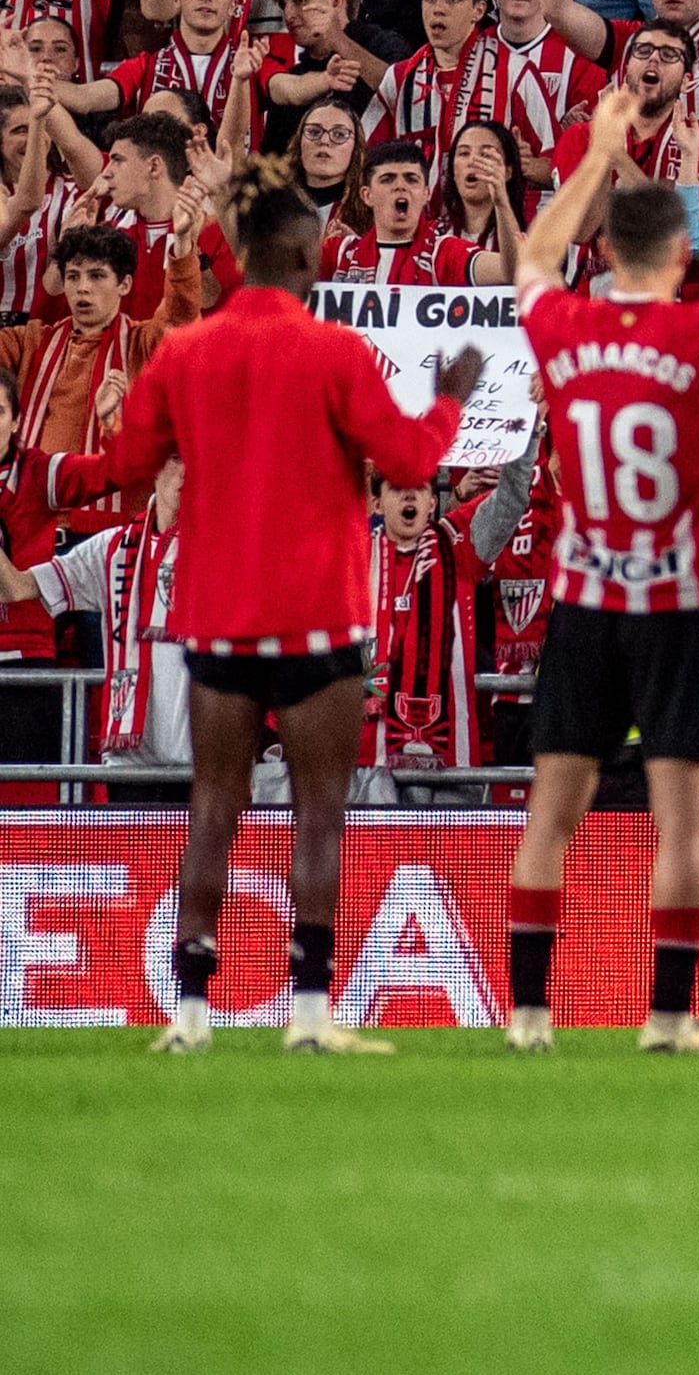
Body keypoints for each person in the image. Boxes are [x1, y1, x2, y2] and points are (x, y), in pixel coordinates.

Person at [52, 166, 479, 1050]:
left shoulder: (185, 353)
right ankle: (311, 1014)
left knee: (215, 804)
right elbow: (406, 462)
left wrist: (60, 478)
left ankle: (192, 1012)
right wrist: (450, 399)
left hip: (215, 613)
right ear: (300, 252)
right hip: (318, 614)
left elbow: (125, 470)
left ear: (241, 252)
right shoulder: (334, 351)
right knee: (318, 811)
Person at [496, 131, 699, 1053]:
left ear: (603, 252)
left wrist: (599, 151)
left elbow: (532, 256)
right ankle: (668, 1019)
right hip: (678, 599)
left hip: (585, 598)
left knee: (551, 816)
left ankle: (529, 1014)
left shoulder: (564, 329)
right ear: (678, 255)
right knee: (681, 827)